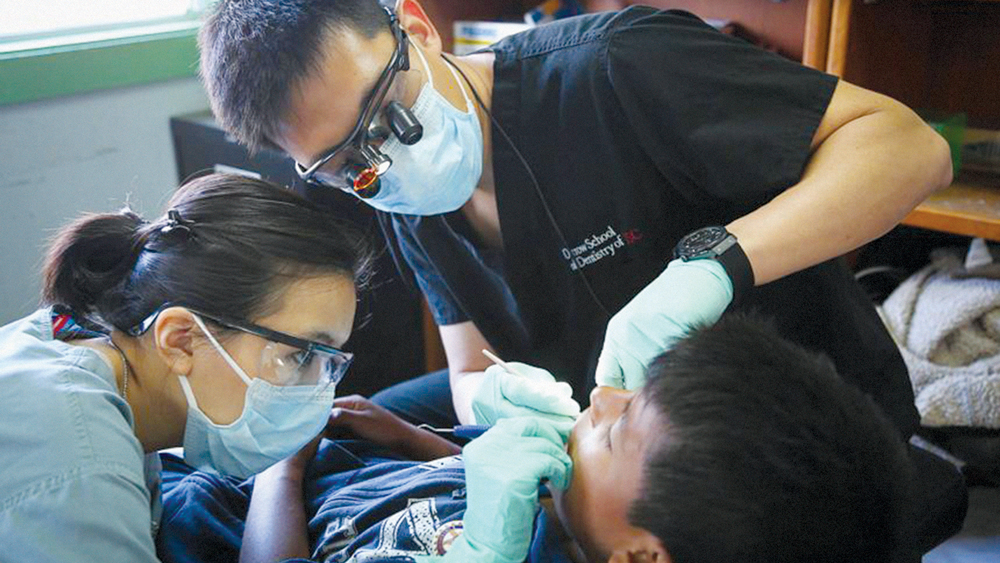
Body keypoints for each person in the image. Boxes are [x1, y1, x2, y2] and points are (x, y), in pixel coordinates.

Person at [197, 0, 952, 435]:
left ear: (418, 29)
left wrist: (715, 268)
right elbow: (469, 366)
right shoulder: (407, 201)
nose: (387, 160)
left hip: (799, 430)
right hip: (624, 440)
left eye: (386, 111)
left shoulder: (618, 66)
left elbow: (910, 148)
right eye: (346, 164)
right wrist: (490, 400)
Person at [156, 315, 916, 563]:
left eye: (617, 427)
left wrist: (279, 472)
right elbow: (499, 491)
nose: (602, 397)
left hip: (221, 524)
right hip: (345, 471)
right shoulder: (577, 514)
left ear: (642, 556)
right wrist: (414, 439)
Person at [0, 174, 371, 562]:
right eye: (301, 356)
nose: (318, 391)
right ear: (180, 340)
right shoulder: (81, 469)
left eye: (329, 361)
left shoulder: (80, 353)